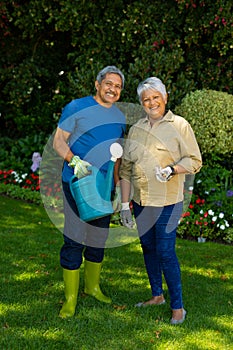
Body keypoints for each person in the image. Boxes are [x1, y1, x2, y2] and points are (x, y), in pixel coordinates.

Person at [119, 77, 202, 325]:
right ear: (142, 104)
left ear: (165, 98)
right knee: (148, 248)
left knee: (166, 252)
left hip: (168, 202)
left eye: (156, 97)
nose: (151, 102)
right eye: (146, 99)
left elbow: (195, 161)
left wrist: (173, 170)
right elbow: (125, 170)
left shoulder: (180, 125)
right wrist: (124, 205)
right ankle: (157, 295)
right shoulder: (136, 129)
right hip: (141, 202)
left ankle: (178, 307)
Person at [53, 66, 126, 318]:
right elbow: (58, 141)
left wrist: (115, 187)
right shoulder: (76, 107)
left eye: (117, 86)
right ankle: (70, 299)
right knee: (74, 239)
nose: (112, 89)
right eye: (109, 83)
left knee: (97, 239)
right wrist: (74, 161)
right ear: (97, 84)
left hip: (103, 187)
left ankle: (92, 286)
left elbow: (116, 156)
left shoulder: (119, 118)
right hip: (77, 182)